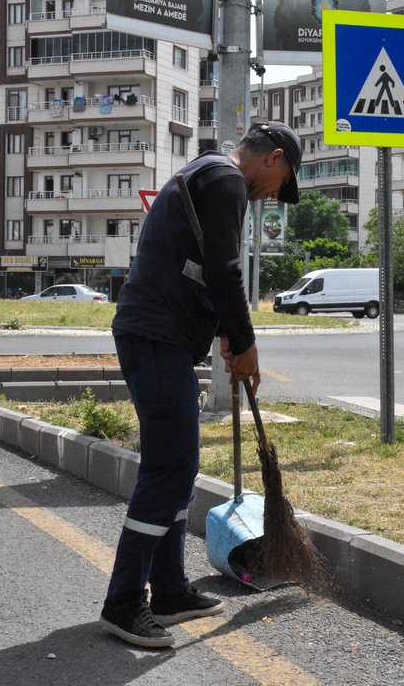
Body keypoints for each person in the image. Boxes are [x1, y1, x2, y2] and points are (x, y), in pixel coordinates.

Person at [100, 122, 302, 648]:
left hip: (158, 336)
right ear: (273, 160)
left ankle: (168, 591)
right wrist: (245, 338)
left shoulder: (206, 172)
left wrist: (223, 333)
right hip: (155, 338)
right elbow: (224, 269)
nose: (273, 196)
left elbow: (194, 270)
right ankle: (123, 604)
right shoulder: (229, 181)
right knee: (170, 468)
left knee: (176, 467)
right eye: (281, 185)